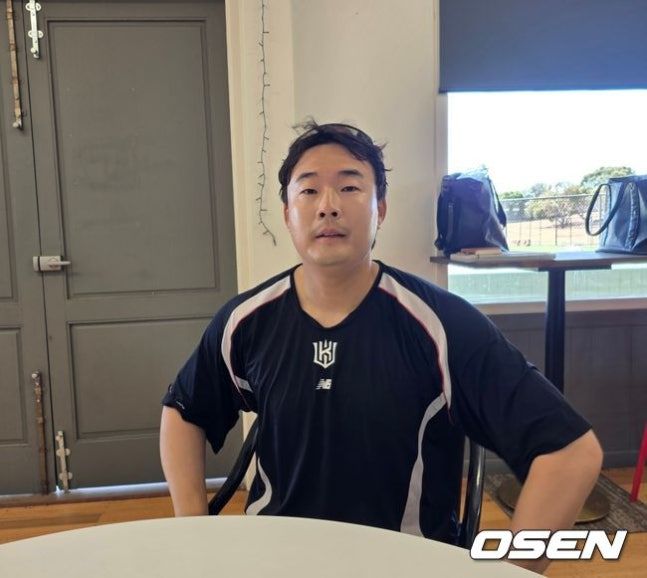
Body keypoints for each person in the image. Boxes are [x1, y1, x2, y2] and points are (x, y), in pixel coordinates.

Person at [160, 121, 602, 574]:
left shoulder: (440, 324)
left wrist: (510, 570)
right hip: (276, 560)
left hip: (403, 564)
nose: (328, 206)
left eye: (350, 187)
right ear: (288, 213)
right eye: (308, 191)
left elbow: (571, 452)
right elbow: (184, 410)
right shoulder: (246, 320)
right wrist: (193, 531)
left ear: (380, 209)